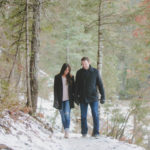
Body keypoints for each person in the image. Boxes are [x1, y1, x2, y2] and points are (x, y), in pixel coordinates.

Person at [75, 57, 105, 138]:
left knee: (95, 114)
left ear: (89, 62)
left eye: (85, 63)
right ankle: (84, 132)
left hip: (93, 97)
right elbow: (76, 86)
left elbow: (100, 84)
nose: (84, 65)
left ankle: (96, 133)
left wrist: (103, 96)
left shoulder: (95, 71)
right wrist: (75, 97)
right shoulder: (79, 72)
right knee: (83, 116)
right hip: (82, 97)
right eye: (82, 64)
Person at [53, 63, 75, 138]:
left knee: (67, 115)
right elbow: (55, 90)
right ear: (63, 69)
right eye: (66, 70)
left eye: (68, 70)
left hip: (68, 100)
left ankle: (67, 132)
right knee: (63, 116)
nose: (67, 71)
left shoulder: (71, 77)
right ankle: (65, 131)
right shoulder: (57, 77)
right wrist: (55, 100)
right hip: (60, 100)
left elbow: (73, 89)